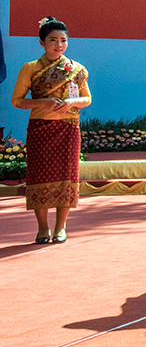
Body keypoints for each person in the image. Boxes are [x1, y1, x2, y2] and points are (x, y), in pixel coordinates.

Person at [11, 17, 91, 244]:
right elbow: (17, 101)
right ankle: (43, 227)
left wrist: (72, 102)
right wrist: (43, 103)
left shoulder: (76, 69)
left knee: (67, 177)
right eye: (53, 40)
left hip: (68, 128)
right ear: (41, 43)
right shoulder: (30, 68)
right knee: (40, 177)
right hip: (40, 128)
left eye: (63, 40)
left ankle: (61, 226)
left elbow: (87, 98)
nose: (59, 45)